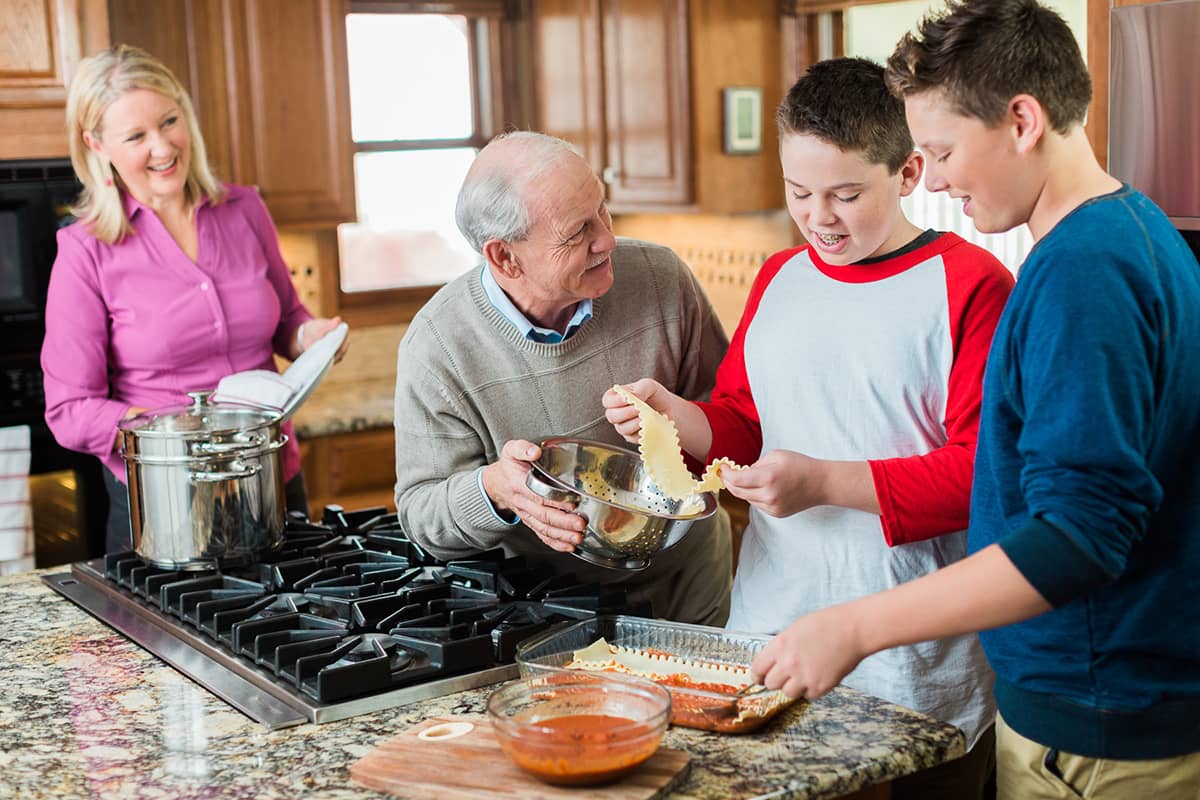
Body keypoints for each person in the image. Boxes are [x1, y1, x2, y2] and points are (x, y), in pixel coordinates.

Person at [741, 2, 1200, 798]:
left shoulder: (1084, 272)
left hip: (1099, 723)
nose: (938, 176)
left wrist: (855, 625)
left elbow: (1079, 537)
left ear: (1022, 119)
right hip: (1103, 698)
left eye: (943, 150)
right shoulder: (1132, 232)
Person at [604, 57, 1014, 799]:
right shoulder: (780, 277)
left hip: (913, 656)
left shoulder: (970, 283)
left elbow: (981, 474)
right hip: (772, 632)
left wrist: (823, 482)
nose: (820, 217)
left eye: (846, 194)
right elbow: (749, 424)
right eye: (799, 192)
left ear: (910, 171)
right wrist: (680, 419)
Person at [392, 131, 733, 625]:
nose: (608, 240)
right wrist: (495, 490)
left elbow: (731, 416)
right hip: (546, 612)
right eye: (578, 233)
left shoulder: (662, 280)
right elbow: (423, 516)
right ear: (504, 257)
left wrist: (682, 420)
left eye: (603, 211)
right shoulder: (438, 347)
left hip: (687, 580)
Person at [41, 45, 346, 553]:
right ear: (96, 144)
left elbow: (286, 319)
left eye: (169, 121)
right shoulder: (85, 251)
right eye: (136, 136)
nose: (162, 148)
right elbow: (70, 409)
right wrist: (166, 429)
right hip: (164, 505)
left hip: (271, 480)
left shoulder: (245, 209)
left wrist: (310, 336)